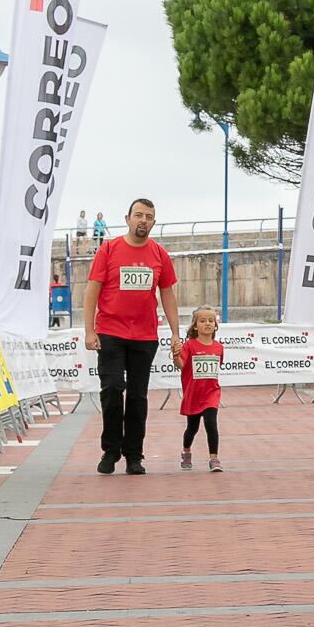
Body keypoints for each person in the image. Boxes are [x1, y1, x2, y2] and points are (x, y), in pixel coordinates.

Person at [84, 198, 181, 476]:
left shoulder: (159, 254)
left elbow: (168, 295)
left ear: (153, 222)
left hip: (144, 336)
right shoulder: (109, 249)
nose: (143, 220)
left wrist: (176, 333)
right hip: (110, 332)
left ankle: (134, 456)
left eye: (149, 217)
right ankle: (111, 450)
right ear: (127, 219)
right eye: (138, 215)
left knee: (138, 397)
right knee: (113, 388)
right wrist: (89, 330)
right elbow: (92, 290)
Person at [179, 305, 225, 472]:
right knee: (192, 428)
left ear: (215, 325)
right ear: (195, 325)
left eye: (211, 320)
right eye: (203, 320)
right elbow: (180, 365)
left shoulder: (219, 347)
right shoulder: (189, 346)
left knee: (211, 424)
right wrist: (176, 354)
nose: (207, 324)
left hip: (211, 393)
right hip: (193, 394)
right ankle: (186, 451)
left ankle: (214, 458)